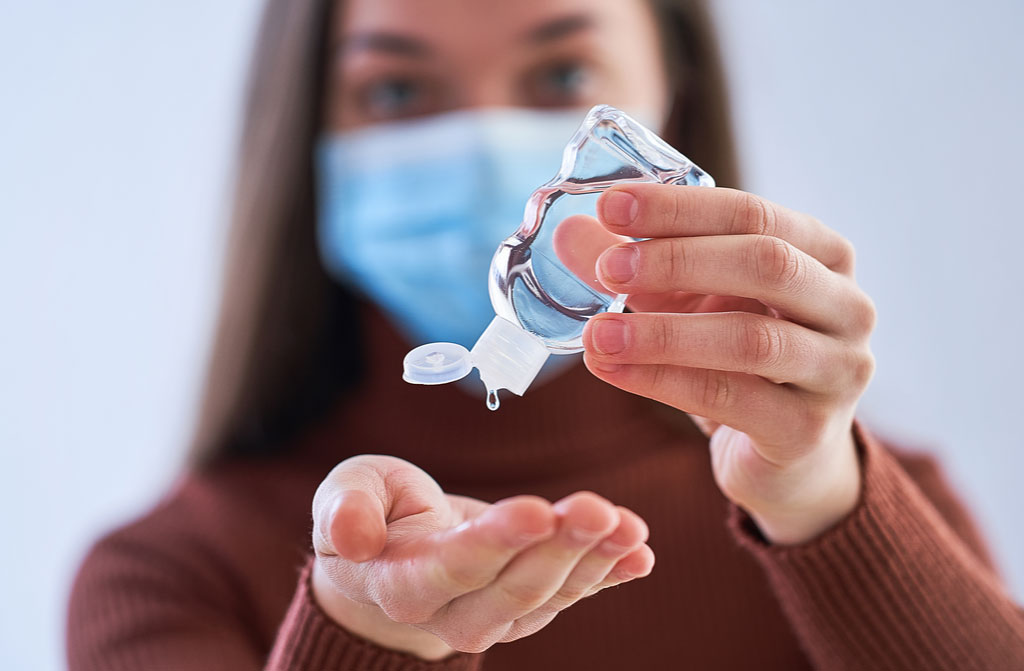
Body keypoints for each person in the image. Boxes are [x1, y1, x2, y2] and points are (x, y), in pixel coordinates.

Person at [67, 0, 1024, 669]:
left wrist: (821, 501)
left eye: (562, 71)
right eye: (397, 91)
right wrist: (367, 636)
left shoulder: (870, 507)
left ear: (672, 107)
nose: (488, 140)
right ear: (307, 132)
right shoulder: (167, 577)